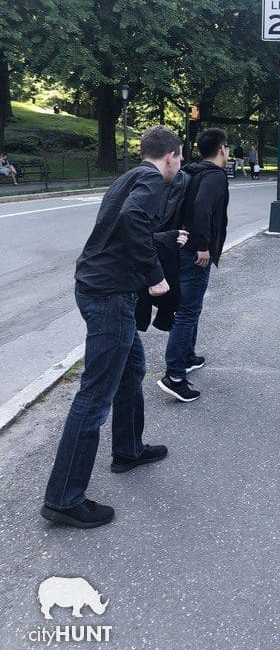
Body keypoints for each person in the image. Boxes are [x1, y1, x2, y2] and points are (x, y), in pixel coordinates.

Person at [41, 126, 184, 529]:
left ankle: (128, 449)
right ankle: (63, 497)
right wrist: (155, 273)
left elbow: (123, 225)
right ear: (170, 155)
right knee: (94, 395)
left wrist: (165, 238)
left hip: (97, 288)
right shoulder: (154, 181)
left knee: (132, 369)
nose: (180, 165)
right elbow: (131, 218)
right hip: (110, 296)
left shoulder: (129, 176)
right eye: (180, 157)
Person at [158, 128, 230, 402]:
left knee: (190, 306)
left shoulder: (191, 170)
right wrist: (203, 245)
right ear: (222, 148)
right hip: (194, 251)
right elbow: (202, 207)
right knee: (188, 310)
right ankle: (175, 375)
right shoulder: (214, 175)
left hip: (180, 245)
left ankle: (187, 356)